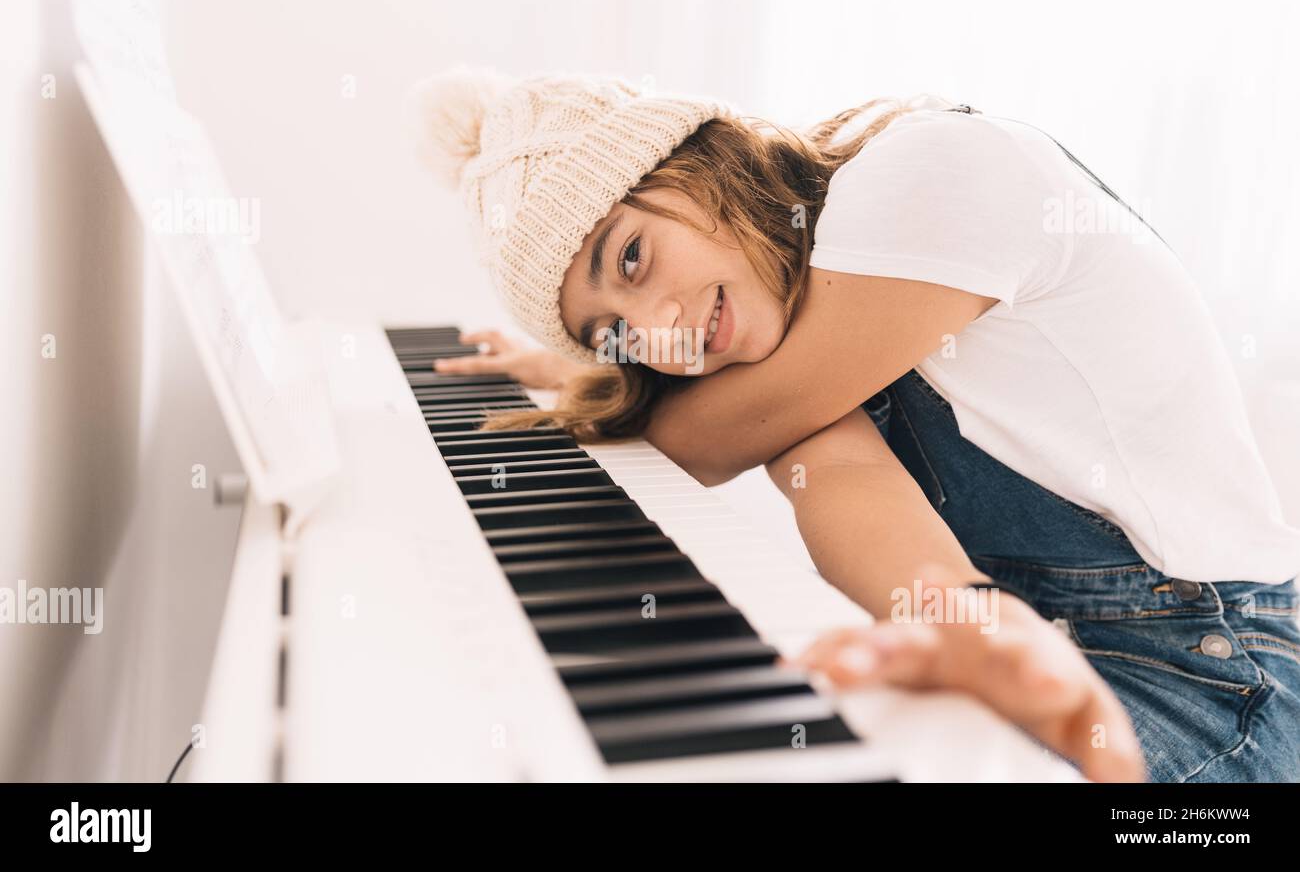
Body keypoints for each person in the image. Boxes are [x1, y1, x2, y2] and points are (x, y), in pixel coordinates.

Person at [407, 67, 1300, 782]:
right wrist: (972, 625)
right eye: (618, 335)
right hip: (1077, 651)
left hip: (1224, 677)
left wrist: (585, 382)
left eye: (632, 257)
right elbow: (843, 482)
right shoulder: (788, 347)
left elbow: (710, 439)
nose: (663, 340)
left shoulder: (932, 170)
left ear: (694, 158)